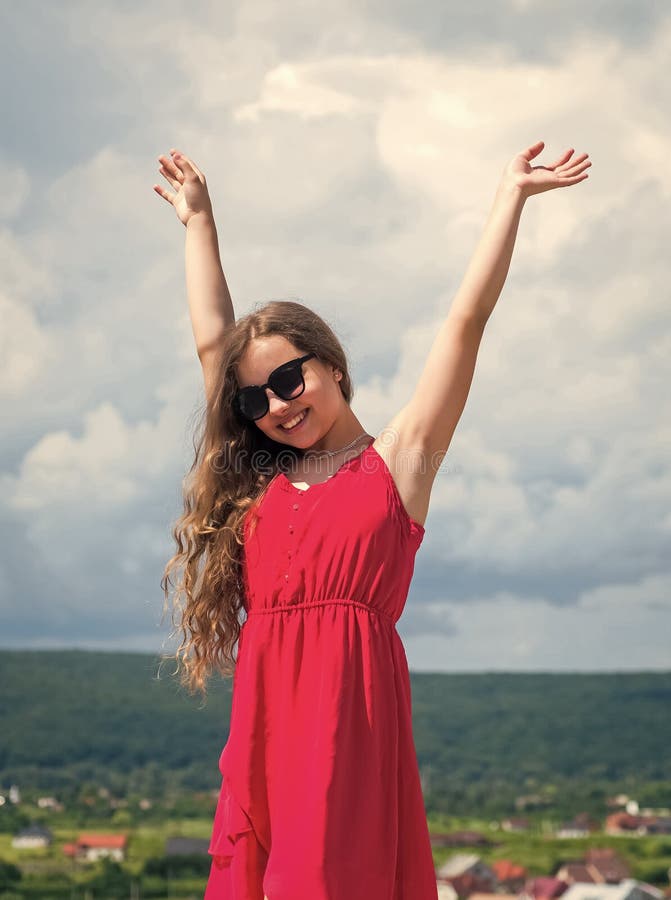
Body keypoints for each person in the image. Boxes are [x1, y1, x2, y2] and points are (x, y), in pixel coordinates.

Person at [153, 141, 590, 900]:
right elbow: (211, 341)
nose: (279, 405)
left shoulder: (399, 463)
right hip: (265, 725)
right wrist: (199, 224)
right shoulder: (258, 482)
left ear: (332, 365)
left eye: (291, 378)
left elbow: (464, 322)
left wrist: (508, 199)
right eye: (256, 400)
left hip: (344, 725)